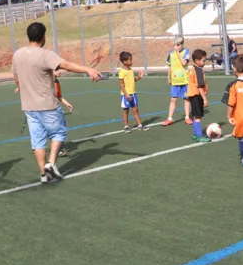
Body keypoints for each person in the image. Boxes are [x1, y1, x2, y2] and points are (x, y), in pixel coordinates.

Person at [12, 22, 101, 183]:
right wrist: (88, 69)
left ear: (28, 36)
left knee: (38, 142)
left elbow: (16, 77)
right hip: (47, 105)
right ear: (43, 36)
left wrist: (21, 87)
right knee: (59, 133)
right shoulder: (45, 54)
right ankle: (51, 164)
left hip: (29, 107)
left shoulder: (17, 54)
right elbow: (66, 65)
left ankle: (43, 175)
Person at [162, 36, 192, 126]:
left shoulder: (186, 52)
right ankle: (170, 118)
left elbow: (184, 63)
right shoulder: (171, 53)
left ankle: (187, 117)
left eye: (178, 45)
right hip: (175, 81)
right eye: (175, 44)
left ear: (182, 44)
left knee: (186, 99)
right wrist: (168, 77)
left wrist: (178, 53)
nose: (176, 46)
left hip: (185, 80)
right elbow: (170, 66)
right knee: (173, 99)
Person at [118, 51, 150, 133]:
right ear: (124, 61)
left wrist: (138, 78)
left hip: (133, 94)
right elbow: (121, 84)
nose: (132, 61)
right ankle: (126, 126)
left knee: (135, 110)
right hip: (126, 95)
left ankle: (140, 125)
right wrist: (126, 94)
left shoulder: (131, 70)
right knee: (126, 111)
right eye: (130, 60)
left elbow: (132, 81)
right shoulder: (122, 72)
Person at [187, 49, 210, 142]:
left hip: (192, 96)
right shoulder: (198, 70)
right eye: (203, 60)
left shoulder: (193, 69)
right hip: (197, 95)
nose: (204, 62)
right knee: (198, 116)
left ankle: (195, 133)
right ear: (197, 61)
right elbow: (200, 86)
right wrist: (204, 99)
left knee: (196, 115)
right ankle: (199, 135)